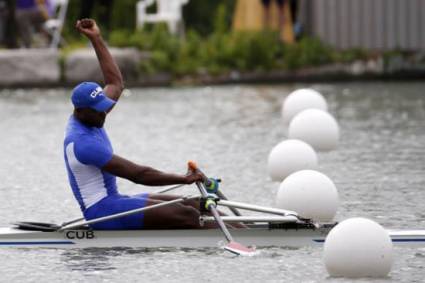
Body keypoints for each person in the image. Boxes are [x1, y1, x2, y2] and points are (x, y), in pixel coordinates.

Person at [64, 19, 213, 230]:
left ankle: (255, 230)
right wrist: (184, 178)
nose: (104, 113)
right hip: (101, 211)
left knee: (195, 204)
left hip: (115, 200)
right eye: (99, 110)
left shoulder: (91, 114)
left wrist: (95, 38)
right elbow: (138, 174)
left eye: (103, 106)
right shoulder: (82, 143)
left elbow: (115, 83)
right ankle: (243, 240)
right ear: (81, 111)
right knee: (187, 214)